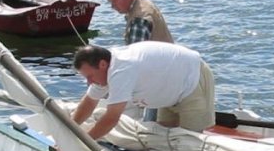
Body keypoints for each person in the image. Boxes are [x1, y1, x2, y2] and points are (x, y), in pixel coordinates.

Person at [70, 43, 214, 141]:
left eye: (89, 77)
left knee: (193, 145)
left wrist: (83, 142)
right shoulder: (103, 71)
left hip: (192, 81)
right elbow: (89, 102)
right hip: (168, 90)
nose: (89, 82)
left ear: (102, 64)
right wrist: (69, 130)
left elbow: (111, 117)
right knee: (162, 143)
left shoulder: (121, 70)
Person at [104, 0, 174, 44]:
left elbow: (135, 53)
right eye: (110, 2)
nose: (112, 6)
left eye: (115, 0)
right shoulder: (143, 3)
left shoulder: (139, 19)